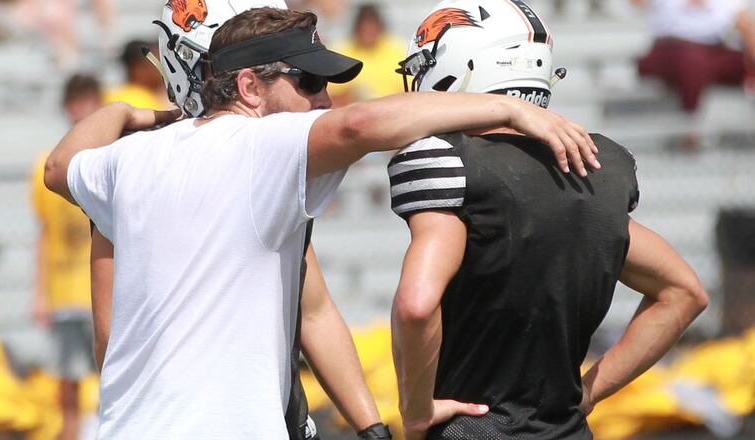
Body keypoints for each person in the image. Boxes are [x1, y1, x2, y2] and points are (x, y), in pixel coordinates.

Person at [44, 6, 597, 438]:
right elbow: (362, 126)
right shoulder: (258, 143)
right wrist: (511, 109)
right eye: (307, 82)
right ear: (249, 88)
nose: (323, 99)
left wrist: (127, 114)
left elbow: (58, 167)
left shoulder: (129, 159)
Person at [388, 1, 710, 439]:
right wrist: (590, 391)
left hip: (473, 426)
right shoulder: (593, 162)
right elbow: (684, 292)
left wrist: (415, 409)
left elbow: (416, 304)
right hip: (567, 428)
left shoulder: (446, 158)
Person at [93, 2, 391, 438]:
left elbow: (313, 311)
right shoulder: (136, 163)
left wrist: (372, 428)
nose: (320, 99)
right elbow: (111, 339)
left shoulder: (265, 166)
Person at [29, 73, 102, 440]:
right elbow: (44, 232)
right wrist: (40, 294)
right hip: (65, 289)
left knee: (112, 373)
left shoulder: (109, 158)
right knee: (68, 381)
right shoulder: (47, 163)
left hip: (103, 286)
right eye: (75, 101)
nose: (80, 109)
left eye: (87, 100)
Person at [632, 0, 755, 113]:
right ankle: (690, 127)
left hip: (712, 51)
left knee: (737, 62)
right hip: (670, 49)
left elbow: (746, 27)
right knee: (692, 62)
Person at [330, 3, 407, 106]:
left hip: (391, 111)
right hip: (353, 112)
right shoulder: (342, 53)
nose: (368, 32)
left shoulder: (397, 51)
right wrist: (352, 94)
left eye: (372, 27)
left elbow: (410, 93)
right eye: (364, 28)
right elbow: (332, 96)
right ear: (357, 29)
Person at [103, 39, 169, 110]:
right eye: (156, 61)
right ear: (139, 69)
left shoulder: (151, 95)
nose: (162, 67)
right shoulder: (135, 99)